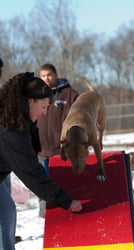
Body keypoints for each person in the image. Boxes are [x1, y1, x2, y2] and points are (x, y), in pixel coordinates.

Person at [0, 72, 82, 250]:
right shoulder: (9, 126)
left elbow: (31, 150)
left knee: (6, 213)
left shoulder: (19, 116)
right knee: (3, 217)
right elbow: (29, 170)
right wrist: (64, 200)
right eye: (44, 107)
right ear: (31, 101)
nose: (45, 113)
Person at [37, 63, 79, 216]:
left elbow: (77, 119)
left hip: (62, 148)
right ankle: (45, 215)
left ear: (55, 75)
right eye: (43, 76)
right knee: (41, 183)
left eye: (49, 75)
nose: (46, 79)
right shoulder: (36, 94)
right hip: (40, 148)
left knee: (64, 182)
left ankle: (66, 213)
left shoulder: (69, 93)